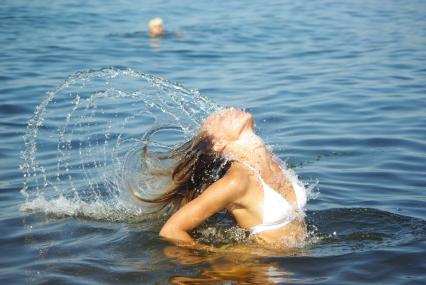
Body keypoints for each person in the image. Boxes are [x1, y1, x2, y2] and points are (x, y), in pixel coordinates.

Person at [135, 108, 307, 249]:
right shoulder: (236, 181)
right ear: (219, 144)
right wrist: (217, 255)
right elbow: (171, 230)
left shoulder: (271, 159)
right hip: (260, 270)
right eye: (220, 118)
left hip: (297, 264)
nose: (229, 109)